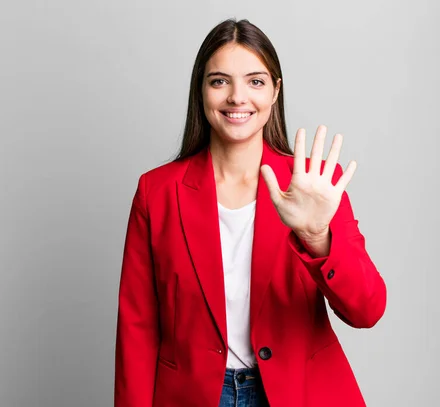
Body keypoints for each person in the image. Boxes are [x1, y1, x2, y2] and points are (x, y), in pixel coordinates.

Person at [114, 18, 386, 407]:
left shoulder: (314, 184)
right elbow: (137, 330)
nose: (237, 97)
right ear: (202, 91)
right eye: (220, 81)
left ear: (275, 92)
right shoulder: (156, 192)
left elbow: (368, 310)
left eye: (255, 81)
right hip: (193, 396)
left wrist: (317, 238)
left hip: (298, 393)